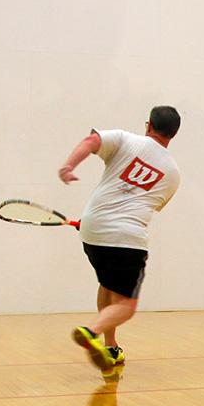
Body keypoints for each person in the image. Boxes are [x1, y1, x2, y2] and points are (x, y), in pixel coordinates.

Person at [57, 106, 182, 371]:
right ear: (174, 134)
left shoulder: (125, 139)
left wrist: (69, 166)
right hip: (127, 238)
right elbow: (143, 206)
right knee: (126, 305)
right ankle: (91, 332)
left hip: (92, 229)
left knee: (108, 284)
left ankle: (110, 347)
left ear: (148, 125)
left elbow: (91, 141)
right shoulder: (172, 173)